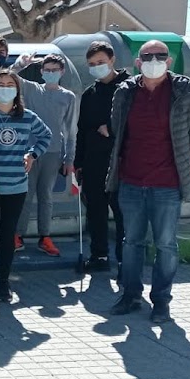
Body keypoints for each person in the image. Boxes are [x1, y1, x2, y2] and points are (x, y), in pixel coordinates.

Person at [106, 39, 190, 324]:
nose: (154, 61)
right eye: (147, 56)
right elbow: (117, 129)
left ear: (169, 61)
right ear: (138, 62)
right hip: (131, 181)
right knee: (131, 242)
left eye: (160, 56)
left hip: (167, 183)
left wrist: (179, 158)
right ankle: (130, 295)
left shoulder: (186, 92)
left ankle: (161, 301)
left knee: (166, 244)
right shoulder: (125, 92)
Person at [0, 71, 52, 304]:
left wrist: (32, 154)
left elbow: (46, 135)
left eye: (10, 84)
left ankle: (3, 283)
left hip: (16, 187)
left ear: (17, 90)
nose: (5, 88)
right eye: (1, 84)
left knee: (7, 236)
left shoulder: (28, 117)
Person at [9, 52, 77, 256]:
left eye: (54, 70)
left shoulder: (68, 96)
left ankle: (45, 237)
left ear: (62, 72)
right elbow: (9, 76)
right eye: (47, 70)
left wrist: (69, 159)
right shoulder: (31, 89)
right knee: (25, 194)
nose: (51, 73)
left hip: (53, 152)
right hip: (28, 152)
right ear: (41, 72)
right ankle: (17, 235)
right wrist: (20, 64)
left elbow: (71, 129)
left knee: (46, 196)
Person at [75, 40, 130, 274]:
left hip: (122, 163)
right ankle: (99, 256)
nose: (96, 67)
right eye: (92, 64)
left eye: (101, 62)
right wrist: (78, 163)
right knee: (95, 211)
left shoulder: (130, 89)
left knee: (122, 213)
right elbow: (81, 130)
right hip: (94, 163)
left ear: (112, 60)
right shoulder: (90, 93)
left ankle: (125, 260)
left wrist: (111, 128)